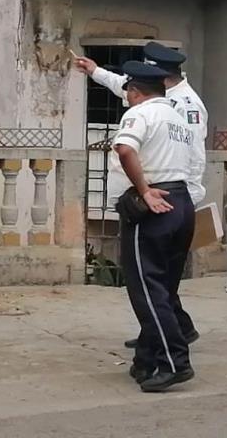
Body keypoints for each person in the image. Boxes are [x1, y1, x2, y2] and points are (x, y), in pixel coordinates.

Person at [75, 43, 202, 349]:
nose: (127, 92)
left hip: (161, 199)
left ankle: (172, 352)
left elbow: (190, 155)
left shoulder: (184, 106)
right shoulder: (166, 104)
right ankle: (156, 343)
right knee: (158, 283)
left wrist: (156, 192)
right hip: (173, 199)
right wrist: (95, 70)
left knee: (149, 283)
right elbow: (122, 85)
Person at [108, 60, 195, 392]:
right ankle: (145, 359)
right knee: (162, 289)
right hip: (182, 202)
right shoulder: (178, 118)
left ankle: (176, 361)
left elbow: (125, 148)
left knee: (146, 289)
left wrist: (143, 190)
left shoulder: (139, 113)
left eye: (128, 92)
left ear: (134, 91)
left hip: (155, 205)